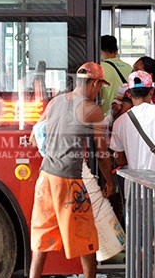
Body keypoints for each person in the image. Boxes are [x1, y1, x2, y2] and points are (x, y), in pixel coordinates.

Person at [29, 62, 115, 278]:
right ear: (94, 83)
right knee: (85, 235)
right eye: (100, 86)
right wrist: (109, 181)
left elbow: (35, 134)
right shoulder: (92, 109)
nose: (99, 91)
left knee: (42, 236)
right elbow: (101, 150)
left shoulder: (55, 101)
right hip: (68, 180)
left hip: (45, 176)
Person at [99, 35, 132, 116]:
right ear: (117, 51)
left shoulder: (99, 68)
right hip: (127, 115)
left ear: (99, 51)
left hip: (108, 117)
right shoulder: (129, 67)